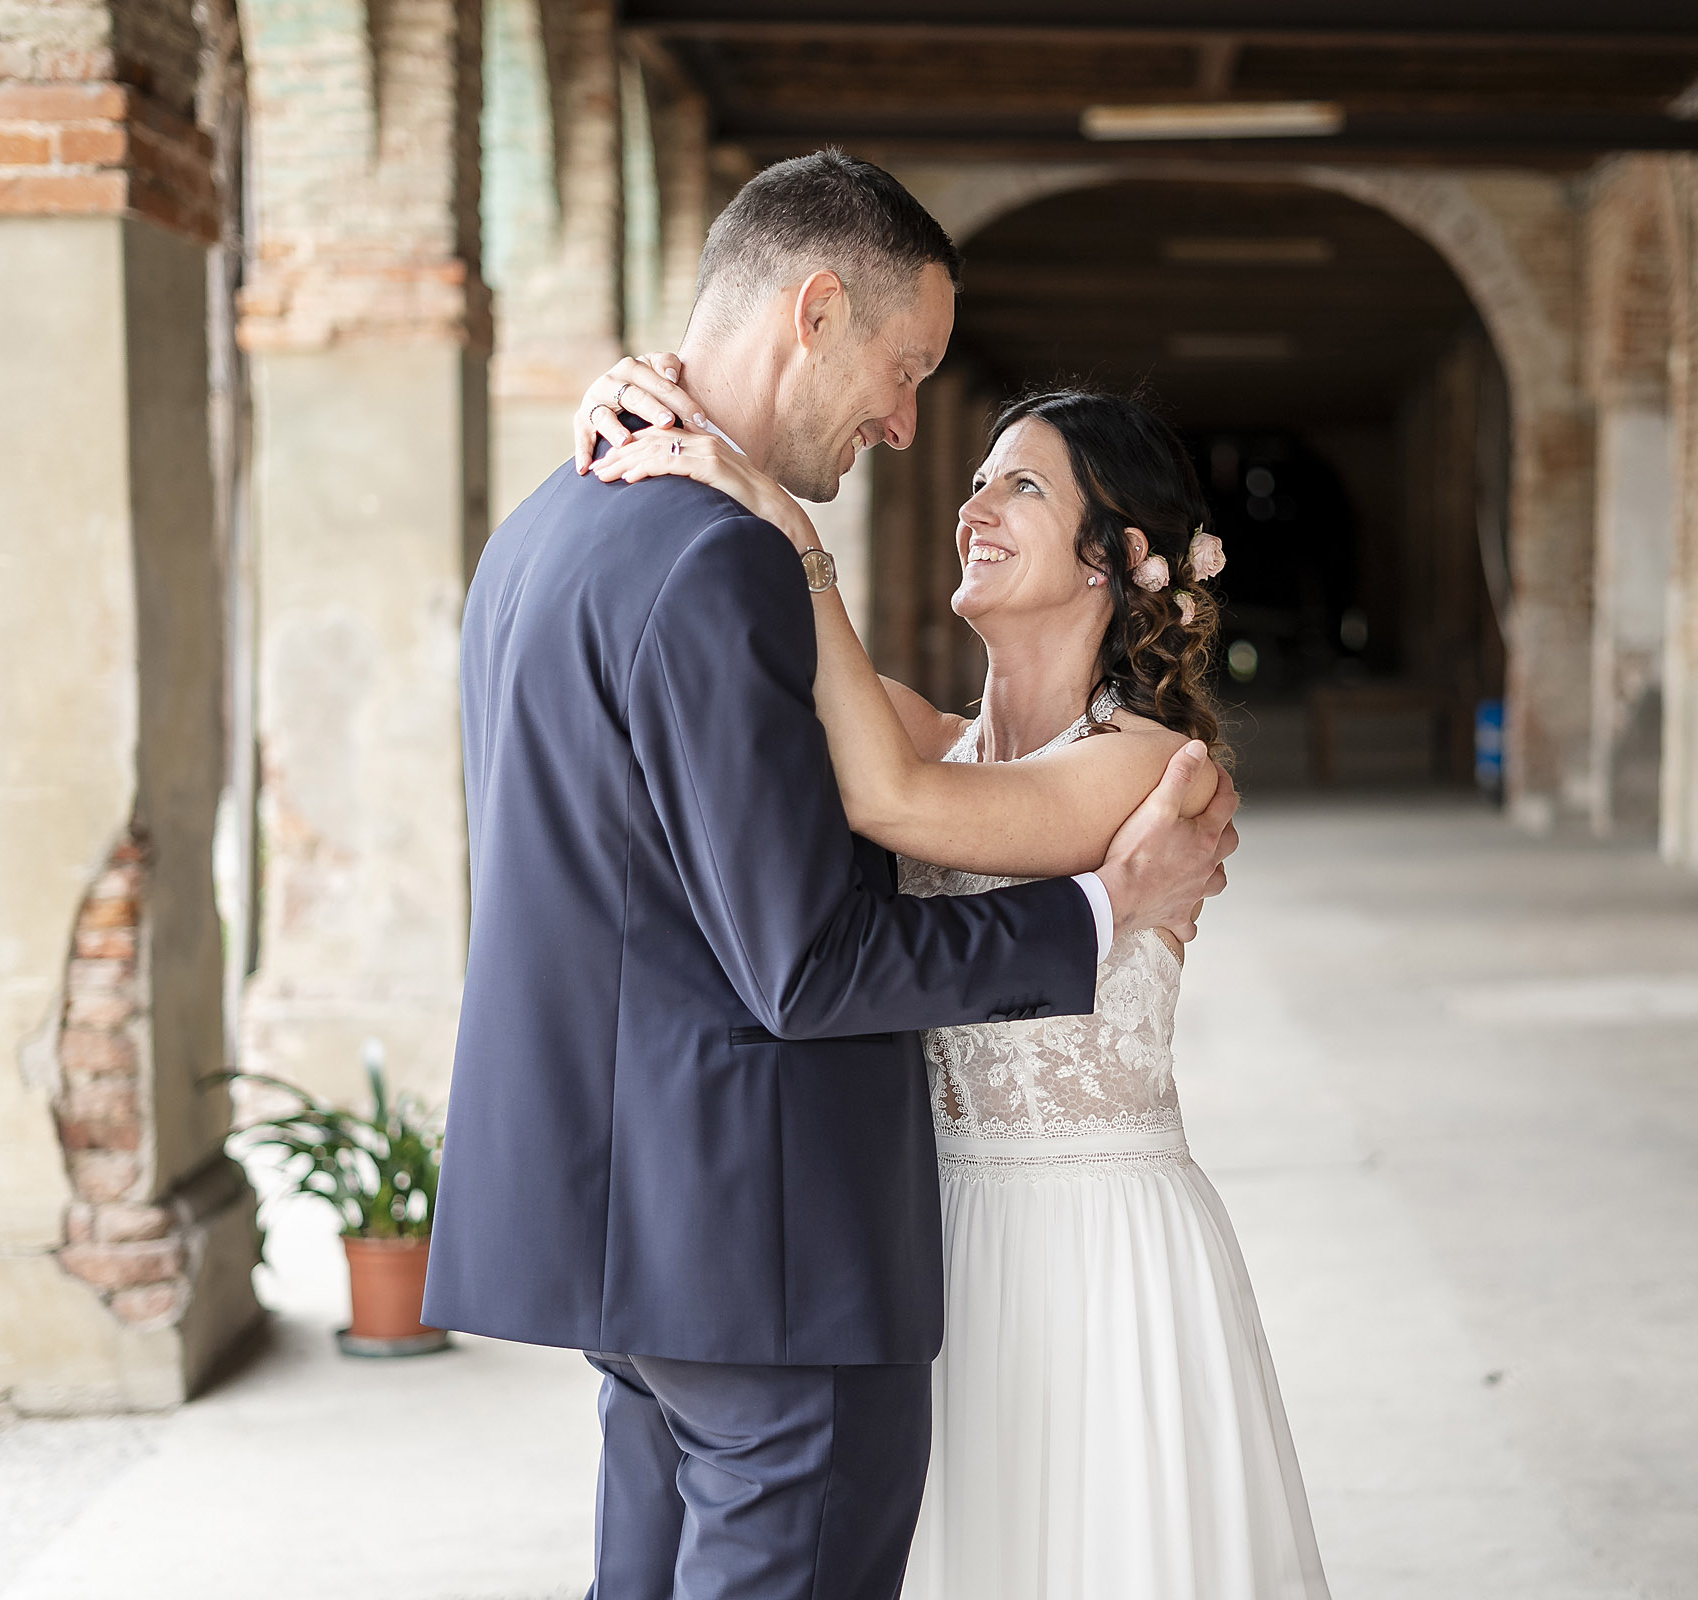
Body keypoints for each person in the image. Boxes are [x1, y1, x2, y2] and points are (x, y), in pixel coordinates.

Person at [422, 150, 1238, 1600]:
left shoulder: (549, 523)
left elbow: (858, 804)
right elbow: (809, 959)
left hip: (645, 1238)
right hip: (769, 1245)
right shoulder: (721, 560)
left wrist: (779, 526)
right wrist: (1112, 908)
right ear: (814, 311)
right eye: (906, 368)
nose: (911, 430)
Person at [581, 357, 1332, 1597]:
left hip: (1097, 1251)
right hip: (927, 1238)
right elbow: (735, 676)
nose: (973, 506)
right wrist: (645, 430)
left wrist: (791, 532)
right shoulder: (928, 732)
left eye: (1019, 487)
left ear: (1108, 555)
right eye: (978, 480)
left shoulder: (1152, 769)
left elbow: (895, 801)